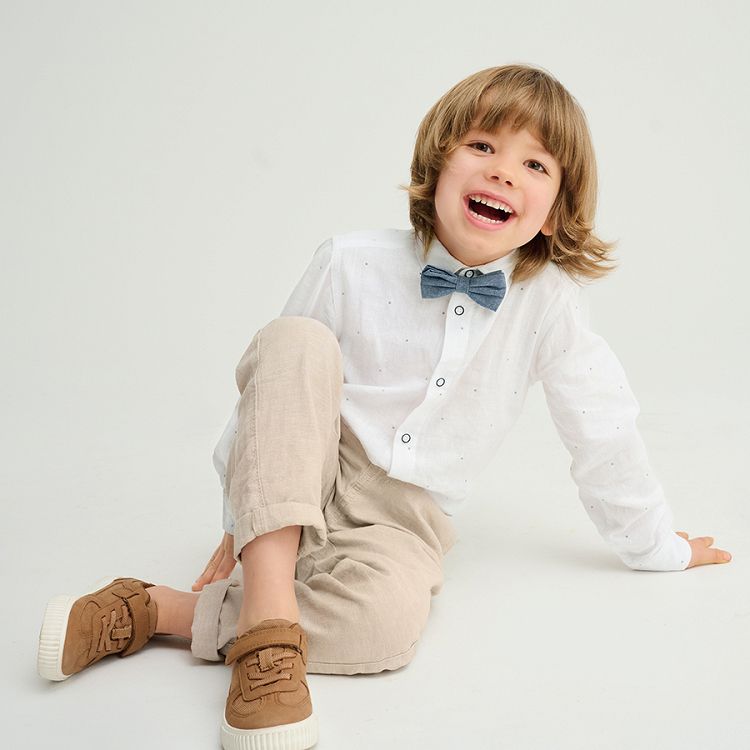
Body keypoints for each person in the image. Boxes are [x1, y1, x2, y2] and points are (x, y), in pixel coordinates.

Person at [36, 63, 732, 750]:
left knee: (387, 628)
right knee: (295, 340)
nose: (503, 173)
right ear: (438, 165)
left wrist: (657, 546)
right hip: (304, 467)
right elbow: (272, 391)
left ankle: (156, 610)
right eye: (483, 147)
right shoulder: (349, 261)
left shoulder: (550, 307)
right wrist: (239, 514)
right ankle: (271, 639)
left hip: (405, 519)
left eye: (535, 165)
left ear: (556, 213)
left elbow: (602, 427)